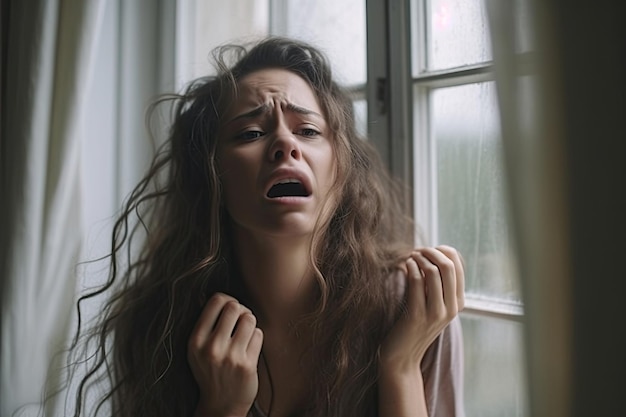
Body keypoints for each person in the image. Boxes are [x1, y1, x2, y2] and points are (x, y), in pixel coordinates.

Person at [69, 36, 466, 417]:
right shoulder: (160, 320)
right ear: (211, 176)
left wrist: (400, 366)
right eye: (251, 133)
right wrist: (221, 408)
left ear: (342, 169)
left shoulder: (412, 306)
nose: (284, 143)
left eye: (308, 131)